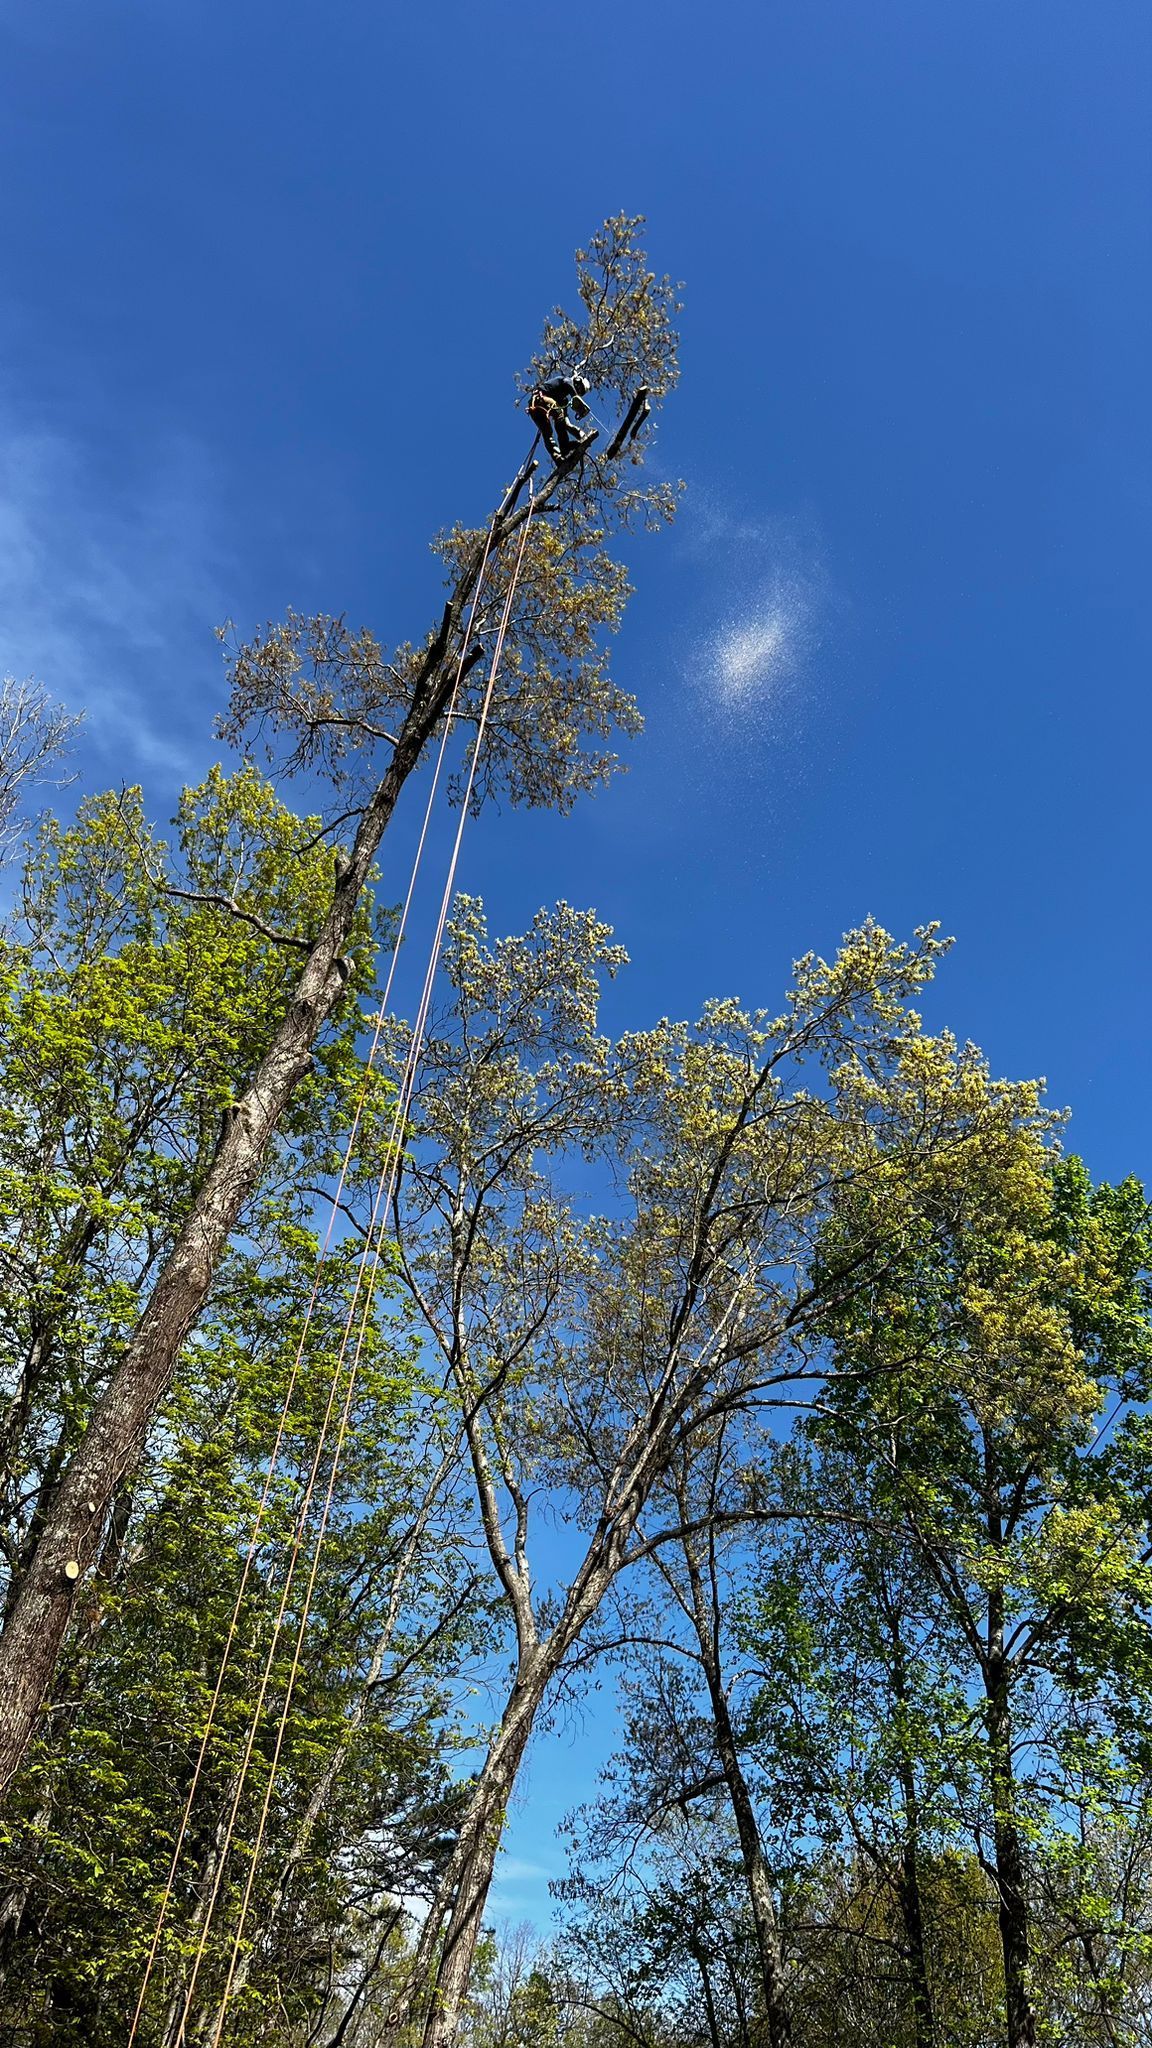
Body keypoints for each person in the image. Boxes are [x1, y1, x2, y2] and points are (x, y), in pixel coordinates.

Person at [527, 371, 593, 464]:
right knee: (559, 415)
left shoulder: (563, 401)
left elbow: (566, 424)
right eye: (579, 387)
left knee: (547, 433)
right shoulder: (566, 380)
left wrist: (580, 435)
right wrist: (576, 399)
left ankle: (557, 457)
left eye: (580, 391)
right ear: (577, 380)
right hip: (540, 399)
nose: (578, 390)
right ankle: (564, 446)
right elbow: (568, 385)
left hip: (535, 408)